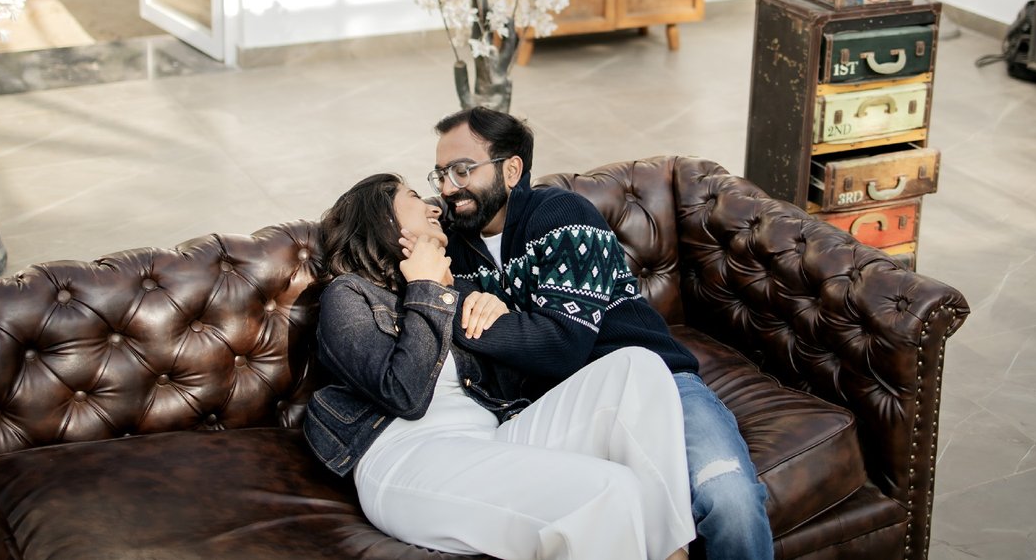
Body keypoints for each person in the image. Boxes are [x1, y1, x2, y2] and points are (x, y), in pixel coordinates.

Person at [418, 108, 776, 560]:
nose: (449, 188)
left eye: (462, 170)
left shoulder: (561, 214)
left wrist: (460, 305)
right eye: (440, 174)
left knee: (731, 503)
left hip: (659, 386)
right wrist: (456, 295)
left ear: (511, 170)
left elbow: (561, 345)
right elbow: (422, 297)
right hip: (562, 414)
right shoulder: (446, 243)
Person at [304, 172, 695, 560]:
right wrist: (427, 289)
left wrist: (501, 313)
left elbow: (519, 381)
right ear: (383, 219)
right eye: (413, 197)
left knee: (636, 365)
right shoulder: (349, 294)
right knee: (610, 488)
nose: (433, 206)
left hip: (493, 437)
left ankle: (673, 553)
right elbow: (404, 395)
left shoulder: (456, 288)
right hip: (409, 459)